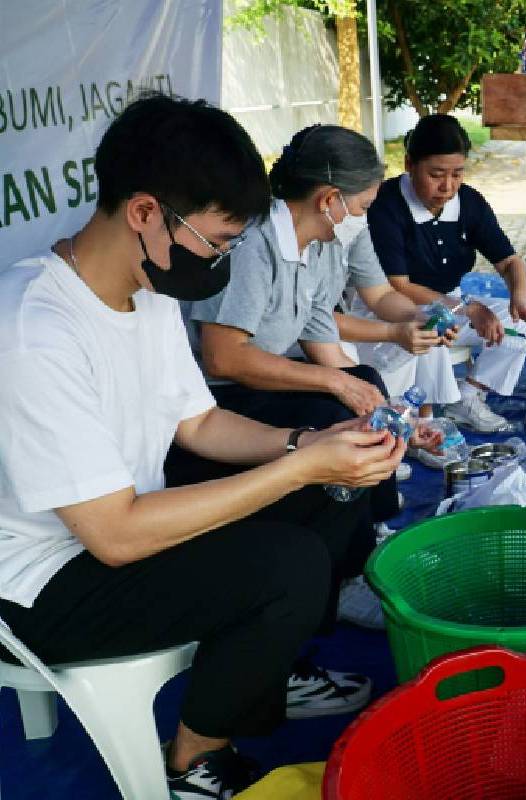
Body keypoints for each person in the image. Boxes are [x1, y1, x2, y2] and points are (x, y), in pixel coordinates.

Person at [0, 95, 406, 799]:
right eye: (217, 242)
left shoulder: (145, 288)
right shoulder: (36, 330)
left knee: (334, 492)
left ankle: (266, 671)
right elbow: (115, 536)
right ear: (146, 212)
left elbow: (199, 424)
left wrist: (308, 442)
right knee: (287, 561)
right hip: (43, 581)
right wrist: (297, 468)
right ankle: (192, 760)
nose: (220, 263)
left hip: (124, 520)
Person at [184, 124, 440, 525]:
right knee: (333, 417)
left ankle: (376, 521)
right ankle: (346, 546)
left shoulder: (318, 249)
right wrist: (337, 385)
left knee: (365, 378)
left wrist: (393, 416)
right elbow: (223, 359)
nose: (362, 219)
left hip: (259, 382)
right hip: (216, 399)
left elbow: (326, 352)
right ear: (330, 200)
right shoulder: (253, 244)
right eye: (363, 207)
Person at [368, 114, 526, 436]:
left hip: (453, 305)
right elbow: (398, 285)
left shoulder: (468, 202)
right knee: (433, 322)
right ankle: (423, 422)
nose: (447, 186)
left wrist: (518, 299)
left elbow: (509, 261)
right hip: (395, 310)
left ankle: (469, 396)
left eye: (457, 174)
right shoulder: (387, 205)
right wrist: (467, 309)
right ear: (408, 164)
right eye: (436, 175)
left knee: (519, 324)